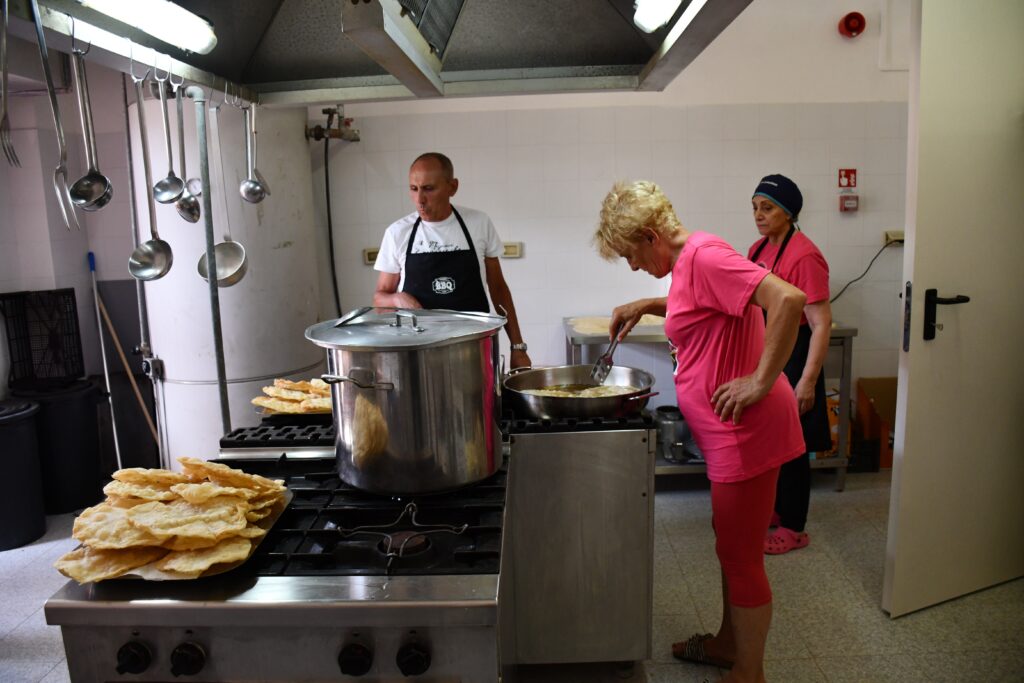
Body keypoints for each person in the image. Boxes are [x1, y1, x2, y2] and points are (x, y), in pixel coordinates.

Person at [595, 180, 806, 683]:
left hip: (745, 431)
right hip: (728, 431)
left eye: (630, 254)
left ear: (651, 236)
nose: (632, 265)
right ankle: (729, 644)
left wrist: (760, 380)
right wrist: (647, 304)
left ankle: (748, 673)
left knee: (741, 556)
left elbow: (789, 300)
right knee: (731, 544)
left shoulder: (705, 256)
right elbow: (700, 303)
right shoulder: (690, 262)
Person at [373, 152, 531, 369]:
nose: (420, 200)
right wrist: (397, 299)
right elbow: (379, 299)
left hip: (473, 348)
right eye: (414, 189)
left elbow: (498, 289)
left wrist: (518, 347)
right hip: (416, 352)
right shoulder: (398, 233)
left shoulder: (478, 223)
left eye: (429, 189)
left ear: (452, 187)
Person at [748, 174, 833, 555]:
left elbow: (820, 323)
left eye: (767, 208)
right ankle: (777, 508)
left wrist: (808, 381)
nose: (758, 215)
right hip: (769, 353)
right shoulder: (757, 249)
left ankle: (795, 527)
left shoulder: (804, 255)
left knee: (794, 447)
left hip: (796, 355)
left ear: (788, 211)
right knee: (772, 440)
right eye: (755, 207)